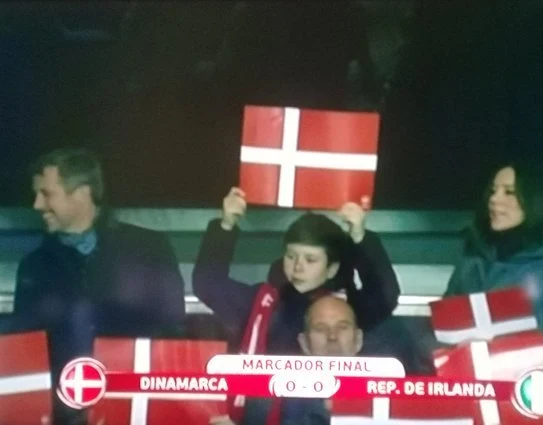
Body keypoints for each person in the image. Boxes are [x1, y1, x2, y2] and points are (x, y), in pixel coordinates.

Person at [194, 187, 399, 423]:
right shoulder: (263, 302)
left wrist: (359, 236)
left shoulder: (348, 308)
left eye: (310, 260)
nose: (298, 267)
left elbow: (386, 294)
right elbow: (207, 284)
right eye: (291, 257)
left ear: (332, 268)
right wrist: (226, 224)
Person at [12, 148, 186, 425]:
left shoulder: (149, 248)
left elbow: (174, 333)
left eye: (46, 194)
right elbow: (23, 349)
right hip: (61, 416)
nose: (36, 205)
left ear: (82, 192)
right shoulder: (34, 266)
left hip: (133, 411)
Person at [444, 161, 543, 393]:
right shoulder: (472, 262)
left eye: (509, 192)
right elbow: (439, 333)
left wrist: (497, 357)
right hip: (471, 398)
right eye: (493, 191)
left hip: (534, 403)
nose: (494, 199)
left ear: (536, 202)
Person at [211, 295, 364, 425]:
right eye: (320, 328)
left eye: (342, 327)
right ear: (304, 343)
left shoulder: (384, 394)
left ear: (359, 339)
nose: (332, 337)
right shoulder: (268, 401)